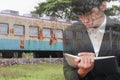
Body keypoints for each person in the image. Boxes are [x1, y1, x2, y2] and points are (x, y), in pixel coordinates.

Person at [63, 0, 120, 80]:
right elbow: (68, 71)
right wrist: (82, 72)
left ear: (103, 5)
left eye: (90, 13)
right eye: (80, 15)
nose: (85, 20)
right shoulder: (70, 32)